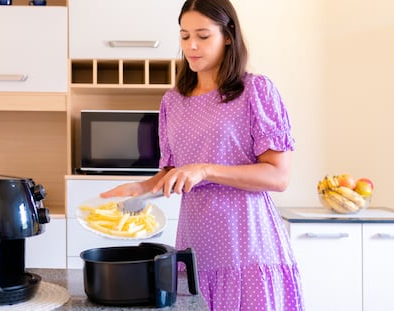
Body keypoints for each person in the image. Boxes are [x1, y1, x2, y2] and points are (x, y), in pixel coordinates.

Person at [100, 0, 305, 310]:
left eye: (203, 36)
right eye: (184, 36)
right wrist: (141, 190)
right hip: (195, 246)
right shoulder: (173, 101)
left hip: (246, 246)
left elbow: (278, 176)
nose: (191, 46)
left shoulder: (255, 91)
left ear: (228, 35)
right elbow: (174, 173)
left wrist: (205, 170)